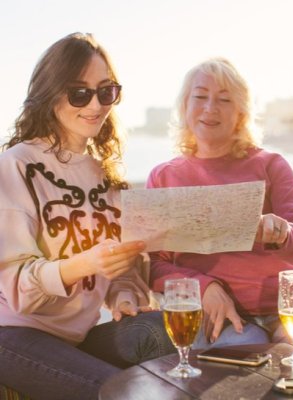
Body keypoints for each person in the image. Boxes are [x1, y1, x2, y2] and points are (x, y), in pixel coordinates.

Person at [0, 32, 174, 400]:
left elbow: (117, 272)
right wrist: (85, 263)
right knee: (129, 391)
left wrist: (123, 296)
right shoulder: (14, 166)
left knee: (168, 332)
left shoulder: (104, 174)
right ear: (49, 94)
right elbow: (16, 287)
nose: (95, 105)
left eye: (106, 91)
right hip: (12, 334)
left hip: (76, 336)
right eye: (79, 93)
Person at [147, 57, 293, 350]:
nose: (210, 108)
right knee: (238, 374)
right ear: (185, 106)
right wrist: (204, 287)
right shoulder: (164, 177)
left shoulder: (271, 165)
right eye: (200, 97)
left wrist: (282, 232)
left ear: (240, 112)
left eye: (224, 100)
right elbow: (153, 264)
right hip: (220, 313)